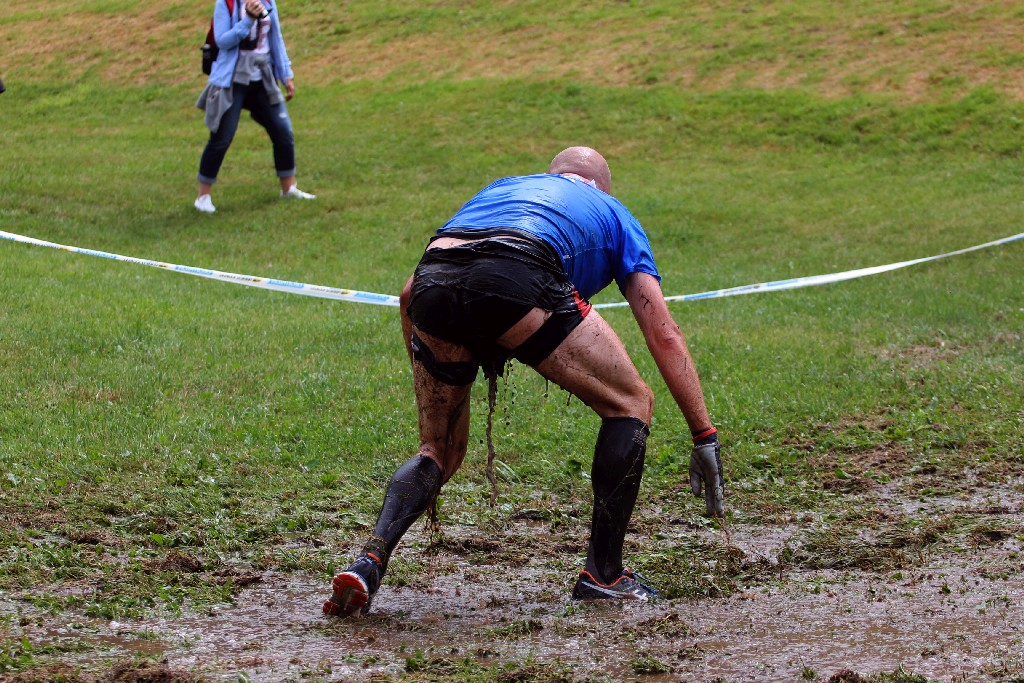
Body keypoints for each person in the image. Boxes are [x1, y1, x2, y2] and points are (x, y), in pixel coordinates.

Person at [323, 146, 725, 617]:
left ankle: (369, 562)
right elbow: (663, 332)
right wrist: (704, 434)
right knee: (630, 403)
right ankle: (604, 575)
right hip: (520, 272)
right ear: (597, 186)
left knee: (438, 451)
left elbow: (409, 293)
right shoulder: (614, 212)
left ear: (554, 176)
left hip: (434, 284)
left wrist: (432, 370)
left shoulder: (501, 189)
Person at [194, 0, 314, 213]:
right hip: (232, 80)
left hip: (262, 79)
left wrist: (286, 74)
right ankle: (203, 197)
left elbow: (276, 39)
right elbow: (222, 41)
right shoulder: (226, 3)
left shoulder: (268, 2)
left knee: (283, 131)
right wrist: (247, 20)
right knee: (222, 137)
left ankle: (288, 188)